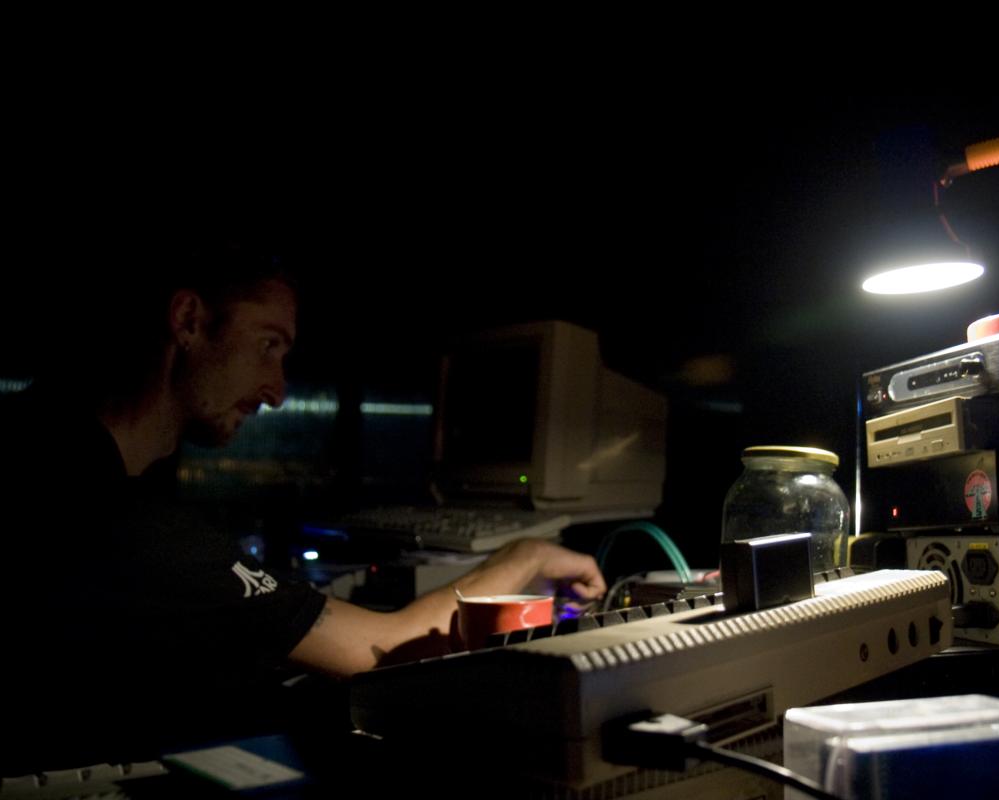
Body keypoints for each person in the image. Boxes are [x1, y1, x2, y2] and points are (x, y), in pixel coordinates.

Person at [0, 240, 606, 773]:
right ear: (187, 320)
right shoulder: (113, 518)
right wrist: (526, 555)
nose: (276, 390)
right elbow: (382, 651)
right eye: (268, 345)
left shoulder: (38, 444)